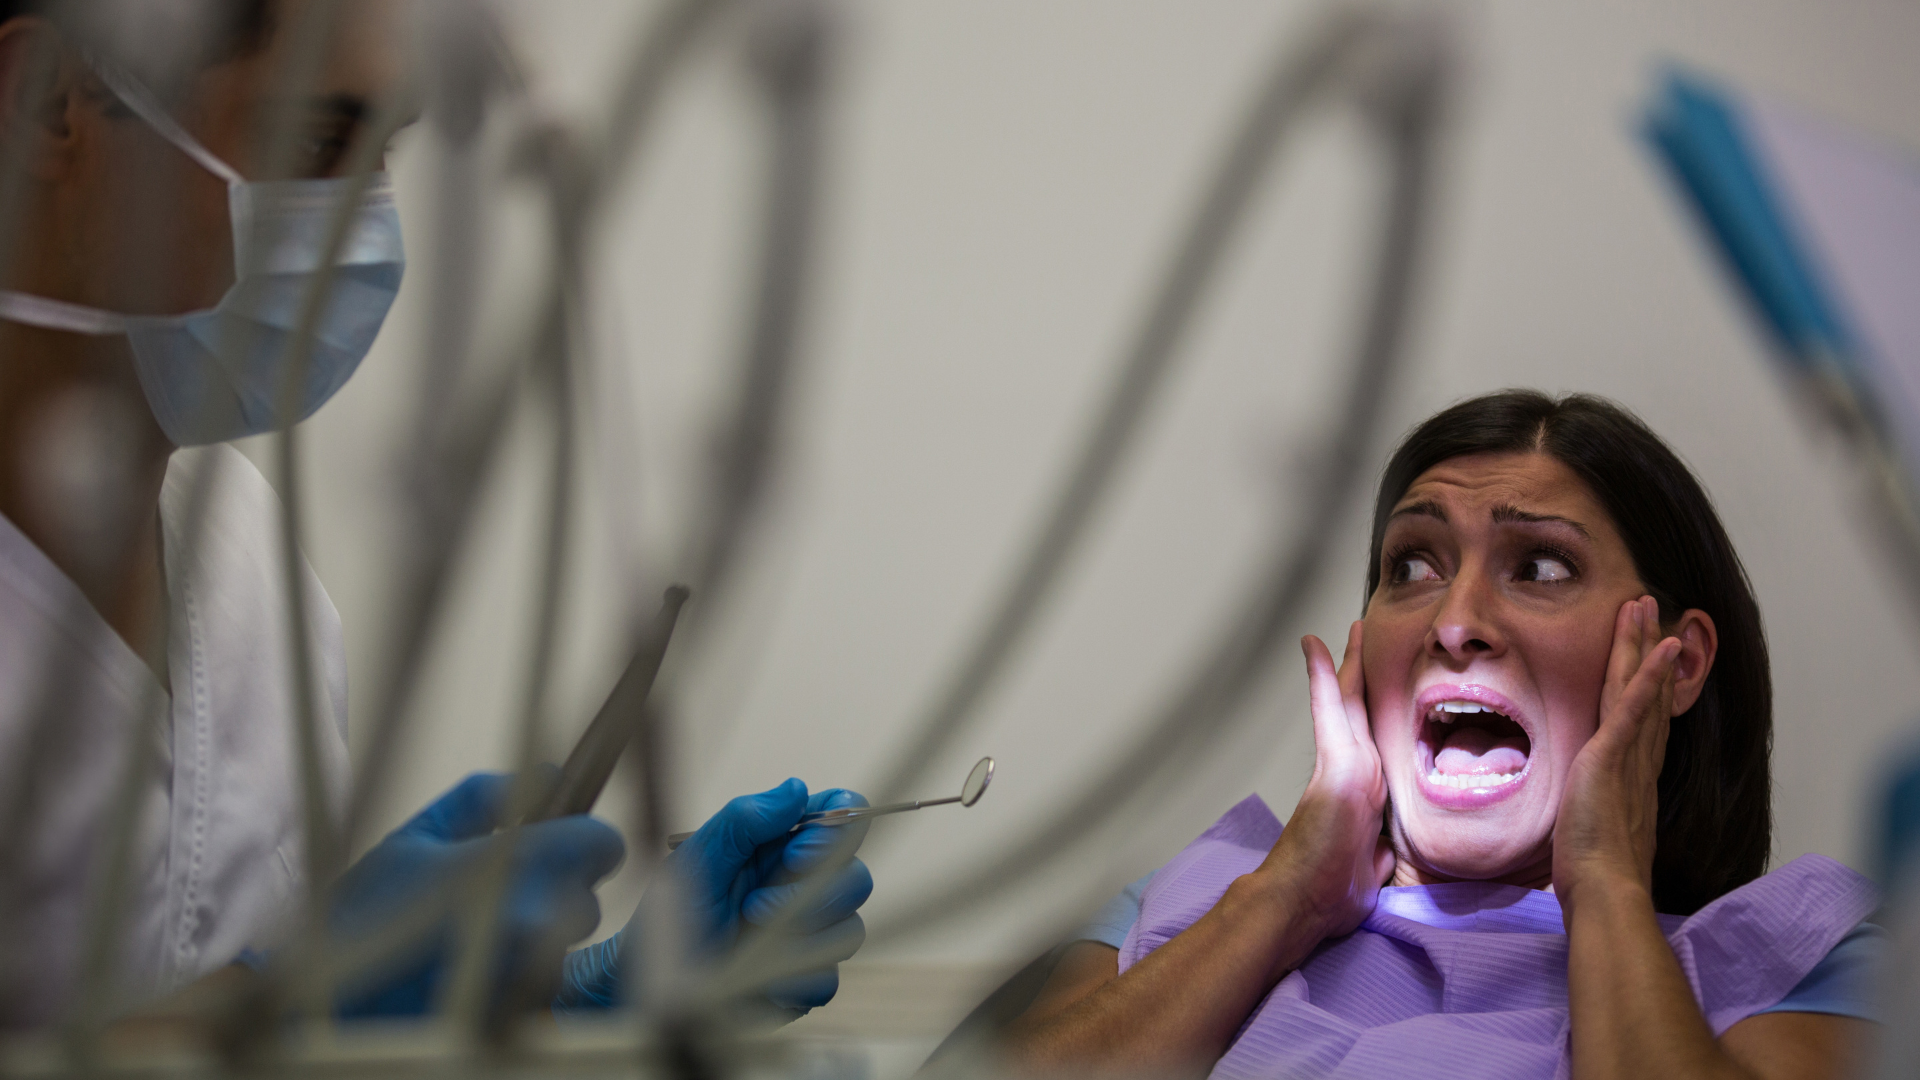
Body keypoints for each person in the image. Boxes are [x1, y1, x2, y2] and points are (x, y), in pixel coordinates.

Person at [0, 0, 870, 1031]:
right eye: (318, 139)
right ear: (47, 104)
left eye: (385, 151)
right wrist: (296, 999)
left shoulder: (252, 571)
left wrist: (581, 998)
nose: (368, 229)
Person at [1000, 391, 1881, 1080]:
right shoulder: (1195, 898)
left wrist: (1608, 882)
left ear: (1676, 665)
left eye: (1540, 566)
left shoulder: (1798, 955)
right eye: (1412, 566)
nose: (1455, 623)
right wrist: (1287, 900)